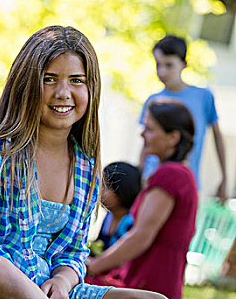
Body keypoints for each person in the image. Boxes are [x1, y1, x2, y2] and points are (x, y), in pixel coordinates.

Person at [0, 26, 165, 299]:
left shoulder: (85, 165)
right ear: (26, 84)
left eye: (77, 80)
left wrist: (64, 281)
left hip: (43, 289)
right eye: (50, 79)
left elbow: (73, 251)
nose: (63, 92)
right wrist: (34, 289)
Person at [87, 100, 198, 299]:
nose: (142, 135)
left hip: (151, 283)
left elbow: (140, 236)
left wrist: (94, 266)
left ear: (173, 137)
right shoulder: (180, 174)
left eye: (150, 130)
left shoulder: (171, 175)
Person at [139, 35, 227, 200]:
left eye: (169, 65)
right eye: (158, 65)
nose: (162, 71)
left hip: (187, 181)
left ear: (184, 64)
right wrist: (140, 174)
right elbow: (145, 144)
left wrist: (224, 177)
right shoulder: (153, 100)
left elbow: (217, 137)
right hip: (153, 179)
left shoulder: (203, 97)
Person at [96, 162, 141, 251]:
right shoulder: (109, 216)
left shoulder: (130, 222)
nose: (100, 190)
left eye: (107, 186)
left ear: (122, 192)